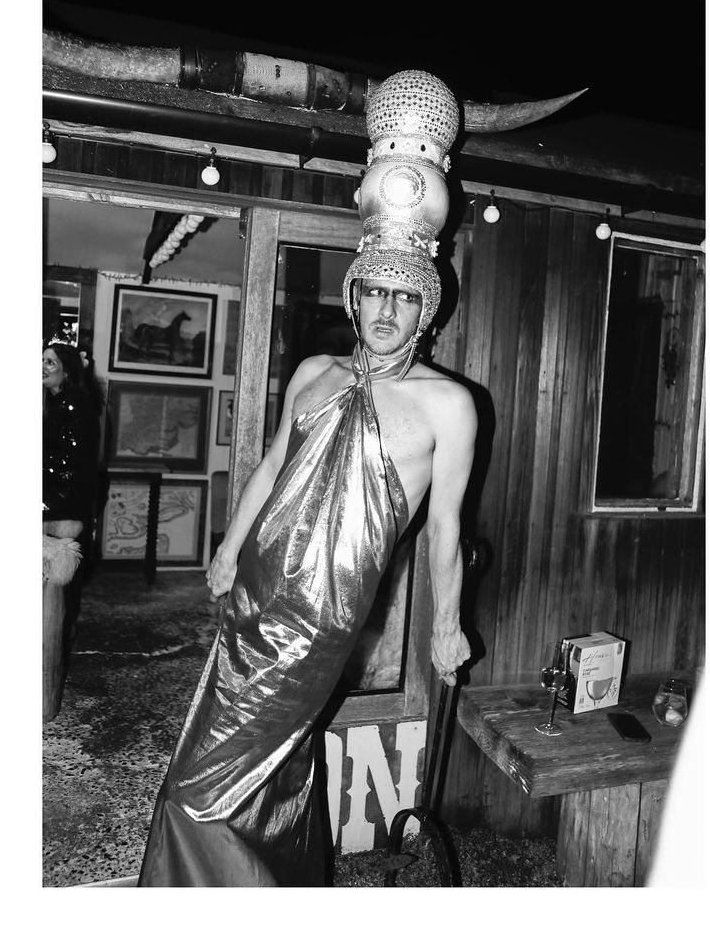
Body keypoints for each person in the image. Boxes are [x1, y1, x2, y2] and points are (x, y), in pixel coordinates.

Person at [137, 70, 476, 887]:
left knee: (198, 789)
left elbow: (445, 529)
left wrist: (446, 626)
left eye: (404, 297)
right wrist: (228, 549)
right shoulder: (315, 373)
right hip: (257, 589)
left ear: (426, 308)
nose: (386, 311)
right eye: (375, 292)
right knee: (275, 767)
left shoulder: (449, 406)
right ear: (354, 296)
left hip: (322, 621)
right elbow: (271, 467)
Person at [42, 341, 101, 721]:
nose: (42, 367)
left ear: (66, 368)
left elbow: (69, 461)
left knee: (55, 589)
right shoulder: (55, 401)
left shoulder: (74, 403)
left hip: (63, 503)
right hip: (58, 500)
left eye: (49, 362)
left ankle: (48, 682)